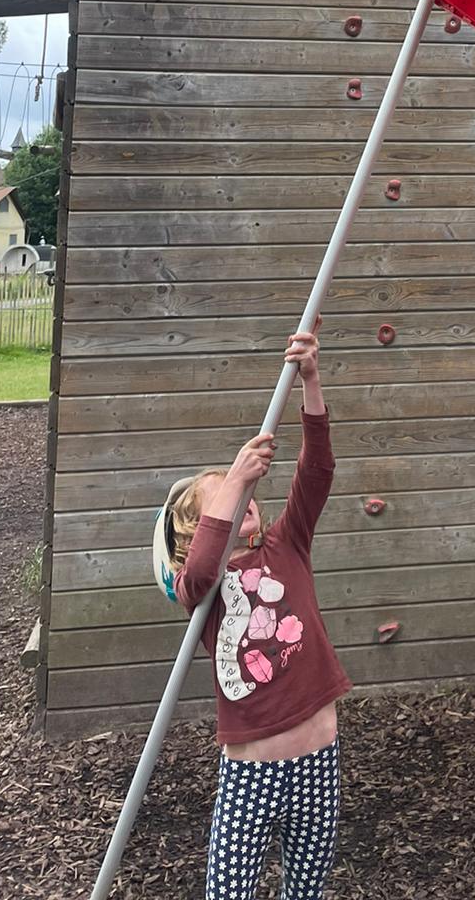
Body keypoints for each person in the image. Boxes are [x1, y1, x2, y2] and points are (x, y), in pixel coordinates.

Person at [153, 328, 350, 900]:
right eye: (225, 498)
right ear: (200, 525)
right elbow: (198, 573)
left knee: (306, 888)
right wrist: (234, 476)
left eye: (246, 492)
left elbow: (317, 472)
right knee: (230, 891)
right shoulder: (202, 590)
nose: (244, 500)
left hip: (319, 757)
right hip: (252, 774)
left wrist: (311, 381)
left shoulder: (286, 543)